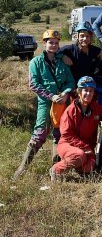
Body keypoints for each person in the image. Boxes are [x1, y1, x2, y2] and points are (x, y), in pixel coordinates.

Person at [13, 30, 75, 180]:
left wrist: (66, 92)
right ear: (44, 43)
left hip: (62, 103)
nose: (53, 45)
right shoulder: (36, 62)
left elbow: (71, 81)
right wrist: (51, 96)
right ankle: (21, 170)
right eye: (50, 42)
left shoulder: (62, 62)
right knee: (40, 133)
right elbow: (33, 84)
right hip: (45, 103)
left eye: (56, 42)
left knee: (59, 134)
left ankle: (56, 170)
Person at [49, 76, 102, 181]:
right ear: (79, 92)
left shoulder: (94, 107)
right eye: (85, 90)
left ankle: (74, 165)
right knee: (79, 155)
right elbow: (66, 134)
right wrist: (85, 148)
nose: (88, 94)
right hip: (68, 144)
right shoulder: (71, 110)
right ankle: (56, 169)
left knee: (90, 166)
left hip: (86, 148)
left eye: (91, 91)